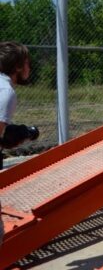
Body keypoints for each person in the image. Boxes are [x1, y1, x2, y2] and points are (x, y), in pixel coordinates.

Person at [0, 41, 39, 244]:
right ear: (17, 67)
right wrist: (18, 134)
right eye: (27, 63)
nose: (29, 68)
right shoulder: (6, 92)